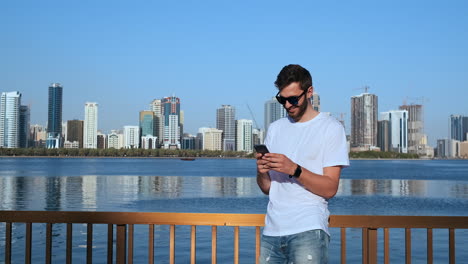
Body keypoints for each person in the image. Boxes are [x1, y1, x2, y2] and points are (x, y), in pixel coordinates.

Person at [256, 64, 349, 264]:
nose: (288, 105)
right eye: (282, 99)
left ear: (309, 92)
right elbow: (267, 188)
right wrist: (262, 172)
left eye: (293, 99)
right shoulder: (275, 129)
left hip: (308, 230)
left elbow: (330, 188)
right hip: (271, 231)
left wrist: (294, 169)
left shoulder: (331, 128)